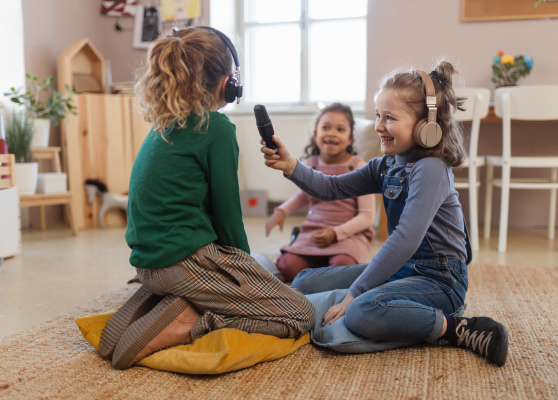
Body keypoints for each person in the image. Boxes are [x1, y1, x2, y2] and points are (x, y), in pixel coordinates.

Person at [261, 61, 509, 366]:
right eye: (378, 115)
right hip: (403, 270)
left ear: (425, 125)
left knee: (362, 311)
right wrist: (291, 166)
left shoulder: (431, 168)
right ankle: (399, 310)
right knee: (303, 283)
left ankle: (456, 328)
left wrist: (356, 292)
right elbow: (330, 188)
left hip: (440, 280)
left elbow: (405, 240)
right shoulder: (387, 165)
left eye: (389, 118)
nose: (378, 125)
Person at [99, 26, 315, 370]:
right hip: (182, 262)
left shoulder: (163, 124)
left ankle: (162, 303)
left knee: (263, 285)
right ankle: (191, 319)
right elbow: (228, 216)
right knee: (300, 314)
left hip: (148, 263)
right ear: (229, 82)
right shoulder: (216, 128)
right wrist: (245, 273)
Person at [265, 103, 376, 281]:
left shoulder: (358, 167)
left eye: (340, 129)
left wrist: (336, 233)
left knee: (343, 265)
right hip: (315, 232)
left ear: (350, 139)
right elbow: (302, 196)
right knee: (288, 266)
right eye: (325, 127)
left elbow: (367, 217)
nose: (331, 133)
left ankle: (325, 270)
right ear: (315, 134)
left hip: (348, 236)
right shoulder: (311, 164)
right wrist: (282, 210)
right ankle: (321, 271)